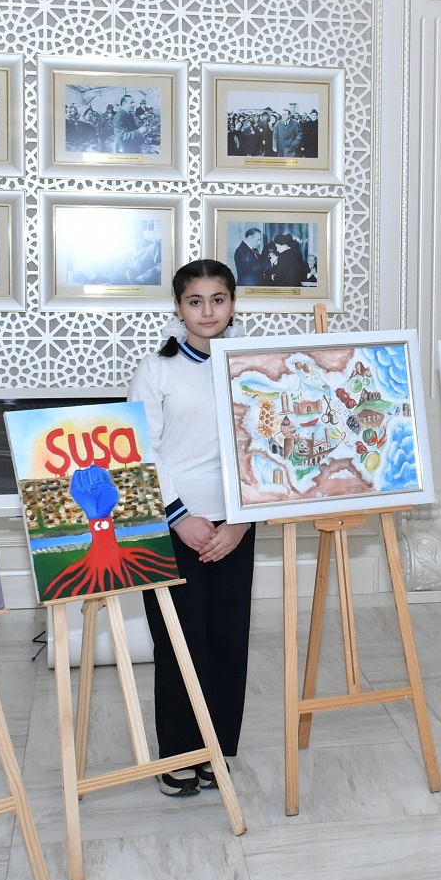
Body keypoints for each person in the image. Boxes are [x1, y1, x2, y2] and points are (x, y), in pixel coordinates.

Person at [128, 260, 255, 795]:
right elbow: (141, 449)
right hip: (173, 527)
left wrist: (241, 521)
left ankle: (217, 748)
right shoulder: (156, 369)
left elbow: (267, 448)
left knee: (227, 638)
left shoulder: (254, 366)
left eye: (218, 300)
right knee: (178, 641)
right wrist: (179, 517)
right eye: (195, 301)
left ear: (233, 304)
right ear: (178, 308)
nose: (208, 311)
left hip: (237, 524)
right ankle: (179, 752)